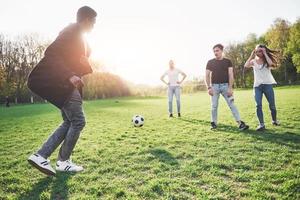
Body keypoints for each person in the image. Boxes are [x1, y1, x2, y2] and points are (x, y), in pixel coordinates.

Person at [27, 6, 97, 176]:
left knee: (69, 121)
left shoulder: (81, 39)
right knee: (78, 121)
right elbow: (51, 54)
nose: (94, 26)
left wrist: (84, 64)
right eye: (93, 22)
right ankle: (63, 161)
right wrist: (69, 75)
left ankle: (41, 156)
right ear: (87, 20)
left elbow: (79, 63)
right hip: (62, 84)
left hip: (68, 85)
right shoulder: (71, 31)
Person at [205, 44, 249, 130]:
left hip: (225, 86)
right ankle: (213, 123)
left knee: (232, 104)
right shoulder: (210, 62)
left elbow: (230, 75)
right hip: (214, 87)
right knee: (214, 106)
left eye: (217, 50)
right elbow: (206, 75)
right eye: (214, 51)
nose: (215, 52)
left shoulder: (228, 61)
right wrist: (209, 87)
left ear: (222, 51)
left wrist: (230, 87)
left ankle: (240, 123)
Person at [244, 44, 280, 131]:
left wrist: (265, 53)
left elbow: (271, 64)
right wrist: (251, 55)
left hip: (267, 85)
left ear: (264, 51)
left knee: (272, 105)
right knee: (258, 105)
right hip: (257, 86)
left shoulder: (267, 60)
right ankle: (261, 125)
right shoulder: (253, 61)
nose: (258, 53)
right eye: (257, 51)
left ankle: (274, 120)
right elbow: (246, 65)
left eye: (260, 51)